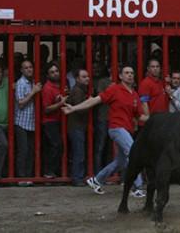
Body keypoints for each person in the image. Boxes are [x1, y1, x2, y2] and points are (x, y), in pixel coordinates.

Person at [63, 66, 148, 197]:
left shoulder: (134, 94)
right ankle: (137, 187)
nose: (130, 75)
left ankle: (96, 180)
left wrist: (156, 119)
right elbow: (95, 100)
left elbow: (141, 116)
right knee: (133, 152)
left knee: (120, 161)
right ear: (120, 76)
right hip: (116, 128)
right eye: (126, 73)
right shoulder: (114, 89)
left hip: (126, 129)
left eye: (132, 73)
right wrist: (74, 108)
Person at [15, 60, 42, 186]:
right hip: (21, 122)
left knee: (30, 150)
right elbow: (20, 103)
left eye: (31, 67)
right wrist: (33, 92)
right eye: (26, 68)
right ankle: (21, 177)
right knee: (23, 150)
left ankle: (28, 175)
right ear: (21, 70)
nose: (29, 70)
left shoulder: (32, 82)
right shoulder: (21, 83)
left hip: (31, 122)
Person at [41, 63, 67, 179]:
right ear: (47, 75)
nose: (55, 73)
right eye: (52, 72)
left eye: (56, 71)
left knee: (57, 146)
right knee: (57, 145)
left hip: (58, 120)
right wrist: (60, 103)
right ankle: (49, 172)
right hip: (50, 121)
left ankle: (53, 172)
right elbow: (46, 109)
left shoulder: (59, 86)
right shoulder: (47, 88)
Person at [67, 69, 90, 186]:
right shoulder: (78, 91)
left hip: (77, 126)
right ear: (77, 79)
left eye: (87, 76)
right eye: (84, 77)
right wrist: (90, 102)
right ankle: (77, 178)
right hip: (76, 126)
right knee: (79, 153)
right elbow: (79, 108)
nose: (87, 78)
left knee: (78, 151)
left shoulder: (80, 90)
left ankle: (78, 176)